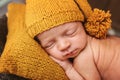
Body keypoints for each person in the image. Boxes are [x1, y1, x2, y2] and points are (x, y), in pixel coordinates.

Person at [24, 0, 120, 80]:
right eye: (50, 44)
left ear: (83, 25)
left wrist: (68, 69)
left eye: (70, 33)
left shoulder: (83, 59)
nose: (63, 45)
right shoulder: (102, 37)